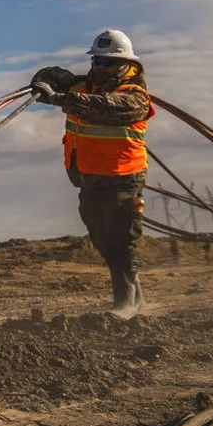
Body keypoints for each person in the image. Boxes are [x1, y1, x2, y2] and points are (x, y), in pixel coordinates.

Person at [32, 30, 156, 320]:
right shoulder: (83, 87)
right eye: (97, 61)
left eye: (108, 62)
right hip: (89, 179)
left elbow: (105, 109)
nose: (100, 67)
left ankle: (127, 305)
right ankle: (135, 298)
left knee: (122, 238)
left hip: (124, 179)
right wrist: (52, 75)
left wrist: (61, 99)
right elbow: (43, 79)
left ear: (125, 64)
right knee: (101, 239)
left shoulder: (134, 97)